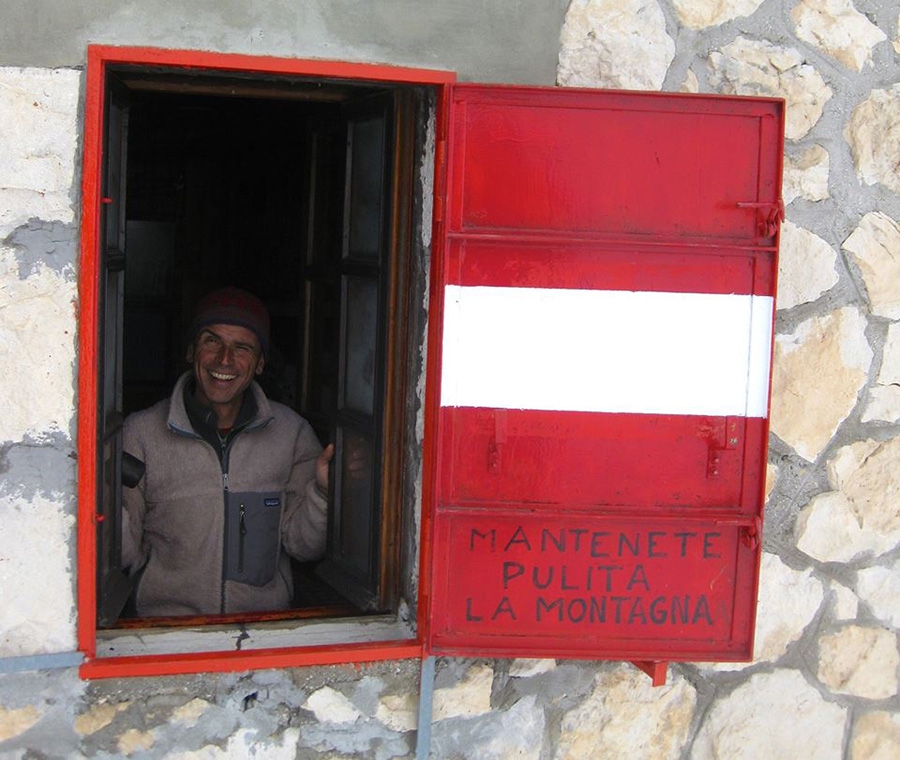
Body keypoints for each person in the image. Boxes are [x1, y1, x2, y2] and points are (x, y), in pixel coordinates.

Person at [121, 287, 333, 617]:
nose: (224, 359)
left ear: (260, 363)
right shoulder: (141, 433)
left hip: (262, 628)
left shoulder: (292, 433)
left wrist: (322, 492)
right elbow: (123, 553)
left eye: (242, 348)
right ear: (191, 351)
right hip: (166, 630)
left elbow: (304, 548)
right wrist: (96, 488)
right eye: (212, 341)